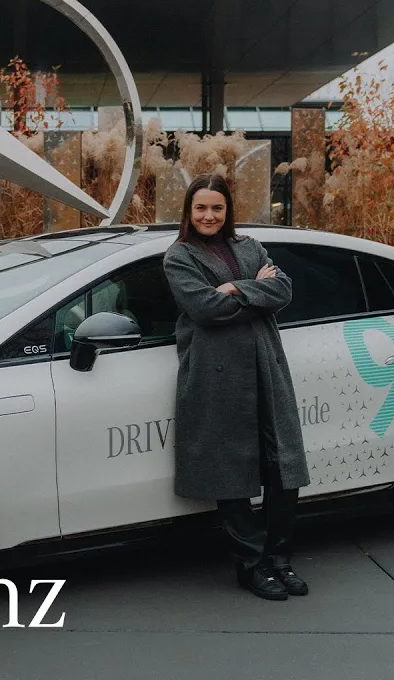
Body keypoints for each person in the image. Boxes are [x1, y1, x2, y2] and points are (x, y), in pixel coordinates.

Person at [162, 173, 311, 601]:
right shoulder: (179, 256)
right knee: (230, 471)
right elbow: (205, 308)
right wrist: (255, 291)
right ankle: (253, 565)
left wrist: (234, 288)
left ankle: (280, 559)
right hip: (217, 375)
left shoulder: (250, 246)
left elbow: (283, 289)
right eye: (201, 208)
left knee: (283, 466)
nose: (209, 216)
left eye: (217, 208)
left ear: (227, 210)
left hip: (266, 367)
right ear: (189, 211)